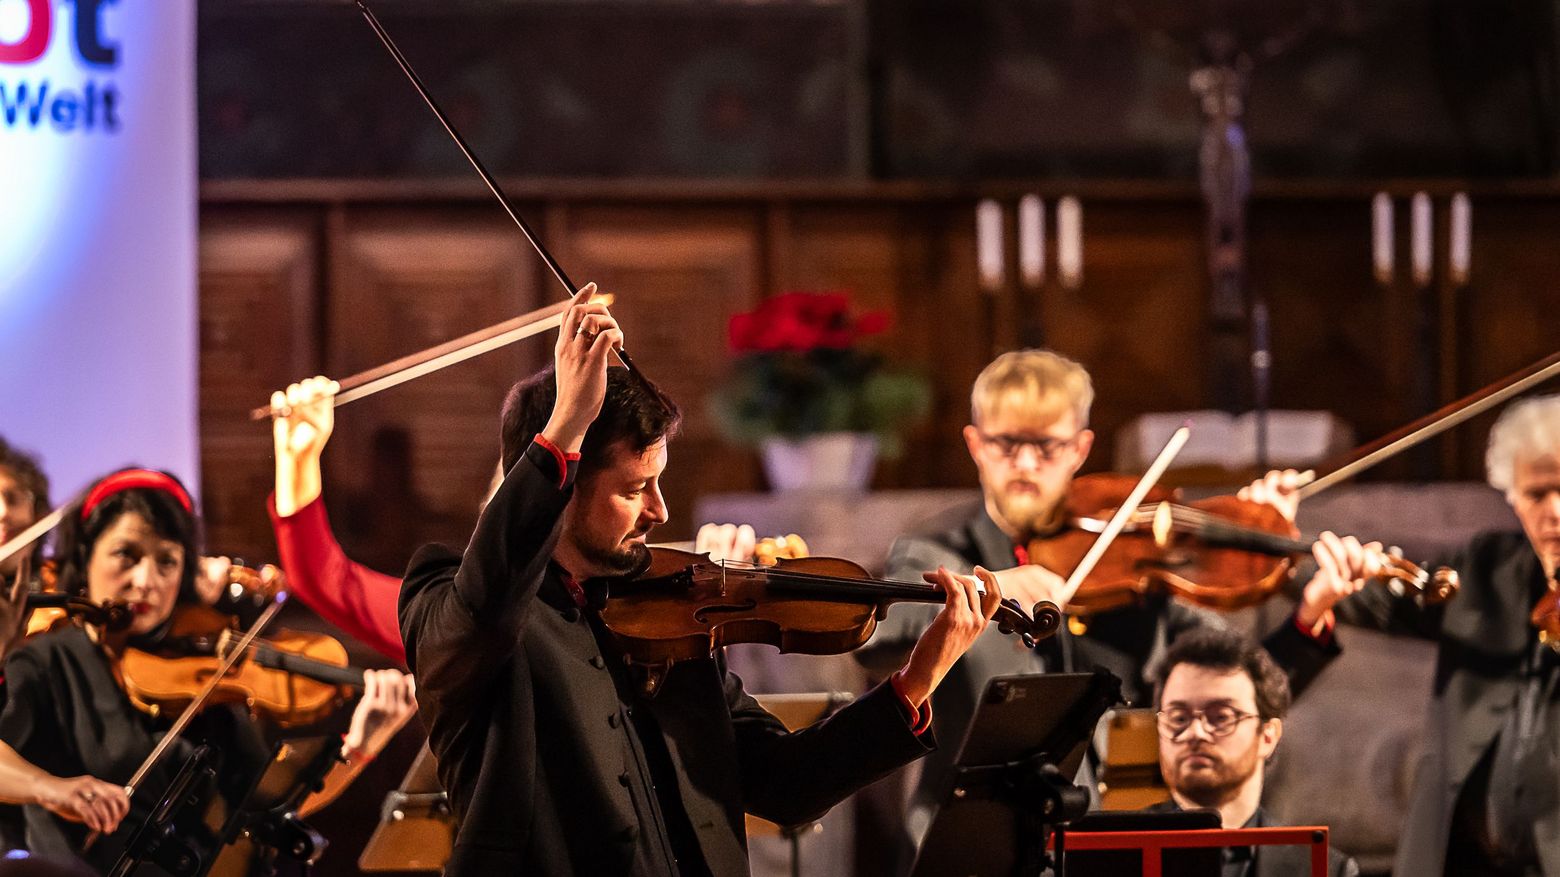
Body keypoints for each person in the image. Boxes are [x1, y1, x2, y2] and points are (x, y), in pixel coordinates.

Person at [399, 285, 1008, 876]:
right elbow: (483, 610)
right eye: (635, 489)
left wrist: (918, 678)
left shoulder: (670, 616)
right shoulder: (444, 594)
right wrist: (563, 430)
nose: (660, 512)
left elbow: (784, 782)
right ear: (563, 486)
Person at [857, 348, 1365, 855]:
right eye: (1006, 443)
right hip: (959, 848)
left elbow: (1233, 688)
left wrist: (1308, 619)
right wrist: (996, 587)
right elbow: (882, 643)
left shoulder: (1127, 566)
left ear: (1080, 449)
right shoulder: (934, 552)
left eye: (1047, 446)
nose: (1026, 463)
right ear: (975, 444)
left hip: (1096, 850)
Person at [0, 467, 416, 872]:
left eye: (167, 562)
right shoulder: (45, 661)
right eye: (126, 555)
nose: (146, 580)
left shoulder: (204, 674)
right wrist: (49, 788)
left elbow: (261, 810)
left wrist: (360, 747)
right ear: (86, 558)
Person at [1308, 393, 1560, 875]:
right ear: (1511, 495)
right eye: (1536, 494)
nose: (1555, 512)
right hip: (1462, 862)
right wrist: (1276, 535)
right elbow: (1383, 596)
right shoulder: (1488, 570)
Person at [1148, 626, 1358, 877]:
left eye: (1221, 717)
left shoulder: (1325, 870)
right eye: (1179, 717)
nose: (1196, 733)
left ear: (1268, 736)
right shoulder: (1107, 851)